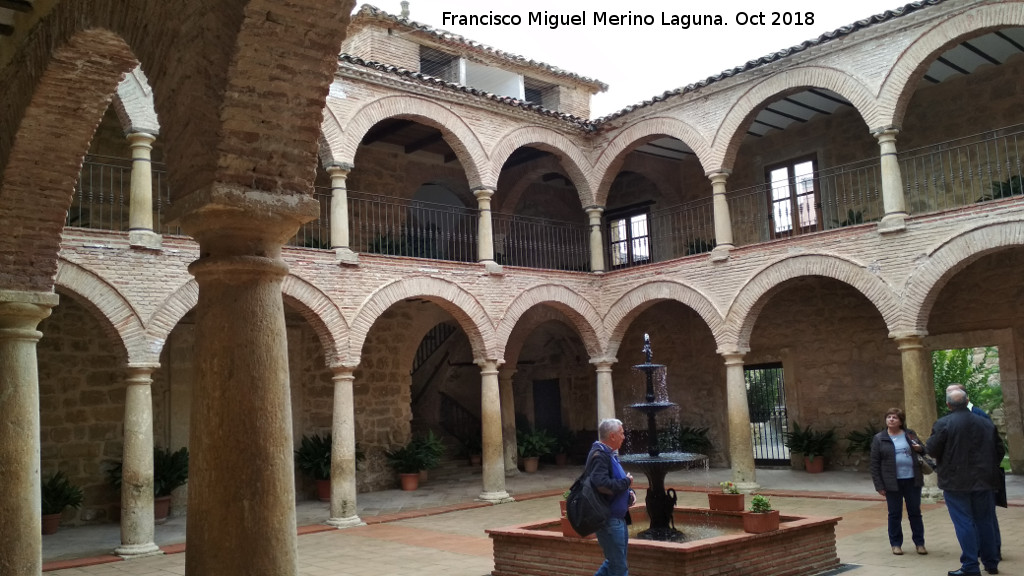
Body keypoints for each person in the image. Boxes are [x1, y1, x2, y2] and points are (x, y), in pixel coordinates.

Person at [926, 388, 1004, 576]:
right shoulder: (985, 423)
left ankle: (970, 565)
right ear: (968, 400)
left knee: (964, 522)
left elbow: (932, 449)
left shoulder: (944, 423)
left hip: (956, 482)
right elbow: (999, 451)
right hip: (984, 480)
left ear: (948, 404)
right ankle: (991, 562)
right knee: (985, 521)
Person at [947, 383, 1001, 561]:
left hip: (975, 477)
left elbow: (996, 446)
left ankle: (989, 552)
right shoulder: (951, 419)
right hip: (977, 476)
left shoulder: (978, 415)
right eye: (949, 393)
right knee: (982, 517)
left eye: (953, 393)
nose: (951, 396)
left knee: (983, 517)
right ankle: (988, 555)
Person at [870, 407, 927, 556]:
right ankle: (896, 544)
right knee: (894, 514)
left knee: (915, 512)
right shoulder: (879, 438)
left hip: (912, 480)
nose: (891, 419)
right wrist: (879, 485)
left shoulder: (909, 434)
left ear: (901, 421)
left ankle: (919, 543)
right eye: (888, 417)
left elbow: (924, 450)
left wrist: (919, 448)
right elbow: (874, 464)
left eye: (894, 417)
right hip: (891, 483)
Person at [588, 418, 636, 576]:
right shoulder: (600, 455)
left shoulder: (609, 454)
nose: (624, 437)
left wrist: (629, 493)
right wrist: (625, 483)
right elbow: (601, 484)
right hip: (609, 520)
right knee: (619, 567)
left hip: (617, 519)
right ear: (612, 436)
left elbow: (616, 482)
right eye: (621, 433)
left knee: (614, 561)